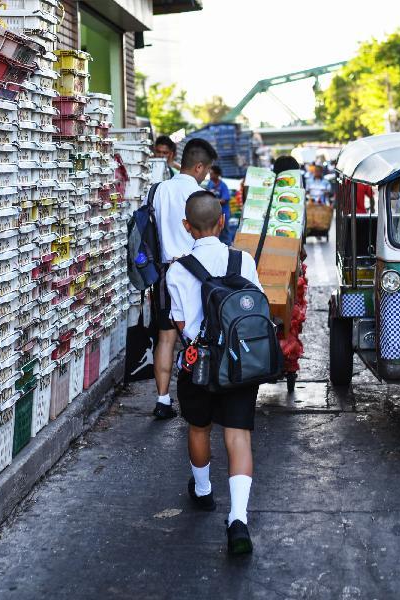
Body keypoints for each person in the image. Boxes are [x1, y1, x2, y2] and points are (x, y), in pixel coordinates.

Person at [166, 191, 263, 555]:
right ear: (222, 222)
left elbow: (179, 321)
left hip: (198, 363)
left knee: (199, 427)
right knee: (239, 436)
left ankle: (204, 492)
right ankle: (238, 519)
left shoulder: (177, 270)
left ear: (187, 227)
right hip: (239, 361)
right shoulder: (244, 261)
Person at [146, 138, 218, 420]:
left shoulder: (159, 190)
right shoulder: (203, 197)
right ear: (198, 166)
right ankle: (199, 393)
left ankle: (163, 399)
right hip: (196, 273)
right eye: (207, 169)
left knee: (165, 338)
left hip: (165, 274)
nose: (207, 174)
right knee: (199, 335)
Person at [205, 165, 233, 244]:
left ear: (217, 175)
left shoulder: (223, 185)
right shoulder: (209, 184)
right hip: (212, 213)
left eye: (212, 174)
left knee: (224, 230)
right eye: (210, 173)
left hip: (223, 213)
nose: (210, 175)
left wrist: (213, 201)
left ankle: (227, 246)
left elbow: (225, 199)